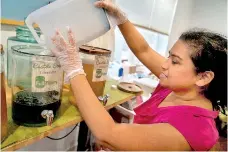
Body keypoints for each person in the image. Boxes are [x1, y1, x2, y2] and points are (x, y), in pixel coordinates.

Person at [50, 0, 227, 150]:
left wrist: (73, 68)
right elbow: (144, 50)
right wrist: (121, 20)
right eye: (168, 56)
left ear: (203, 77)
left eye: (175, 61)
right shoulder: (180, 87)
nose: (164, 65)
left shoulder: (195, 128)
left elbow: (107, 134)